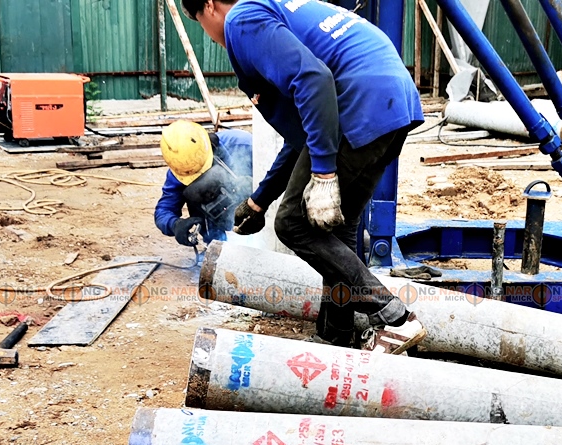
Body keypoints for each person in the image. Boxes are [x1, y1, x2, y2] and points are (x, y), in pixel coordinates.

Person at [183, 0, 427, 355]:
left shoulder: (241, 18)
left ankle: (395, 319)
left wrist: (324, 174)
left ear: (209, 6)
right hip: (391, 100)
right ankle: (335, 336)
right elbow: (304, 136)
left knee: (293, 223)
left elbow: (314, 79)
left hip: (358, 100)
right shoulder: (277, 9)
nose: (208, 35)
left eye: (199, 22)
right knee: (336, 232)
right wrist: (259, 200)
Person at [155, 120, 262, 248]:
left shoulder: (243, 145)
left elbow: (277, 179)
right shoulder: (181, 170)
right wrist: (175, 224)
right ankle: (216, 244)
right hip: (216, 237)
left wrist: (256, 187)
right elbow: (163, 211)